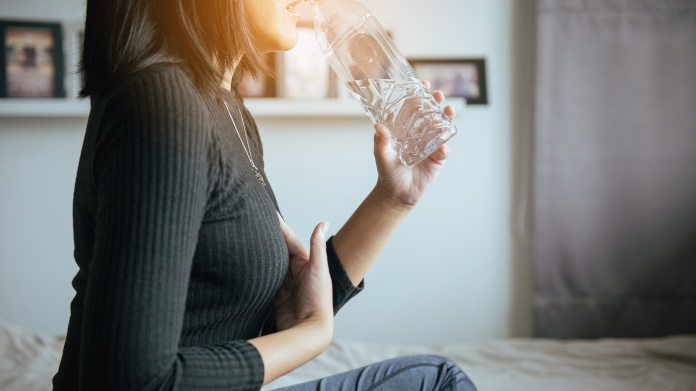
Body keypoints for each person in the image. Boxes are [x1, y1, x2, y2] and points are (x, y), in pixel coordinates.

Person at [52, 0, 477, 390]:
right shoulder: (161, 101)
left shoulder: (226, 108)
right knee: (436, 380)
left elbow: (278, 309)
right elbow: (129, 381)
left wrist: (393, 199)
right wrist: (312, 337)